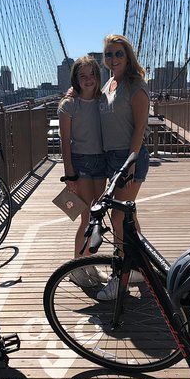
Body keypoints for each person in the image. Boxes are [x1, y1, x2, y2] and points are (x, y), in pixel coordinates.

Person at [96, 34, 150, 300]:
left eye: (118, 54)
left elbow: (140, 128)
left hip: (130, 159)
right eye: (108, 54)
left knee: (117, 218)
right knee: (128, 217)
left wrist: (129, 165)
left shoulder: (135, 86)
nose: (113, 59)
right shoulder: (108, 85)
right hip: (112, 159)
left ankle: (120, 279)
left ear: (128, 57)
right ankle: (140, 266)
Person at [58, 56, 107, 288]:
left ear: (98, 77)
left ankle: (88, 262)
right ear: (75, 79)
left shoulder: (104, 100)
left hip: (101, 162)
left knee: (96, 217)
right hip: (81, 164)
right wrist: (70, 175)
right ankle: (77, 267)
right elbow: (65, 141)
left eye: (92, 75)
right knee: (86, 217)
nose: (88, 80)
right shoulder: (68, 105)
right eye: (83, 76)